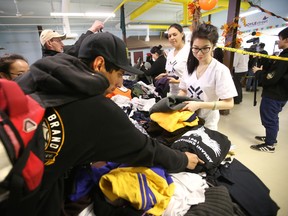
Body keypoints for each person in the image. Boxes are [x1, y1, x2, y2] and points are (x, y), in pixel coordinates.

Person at [16, 32, 204, 215]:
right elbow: (146, 149)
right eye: (120, 74)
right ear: (99, 64)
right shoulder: (96, 109)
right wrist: (184, 159)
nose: (120, 82)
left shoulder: (42, 74)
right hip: (29, 203)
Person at [178, 23, 237, 131]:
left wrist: (199, 105)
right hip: (188, 119)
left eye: (205, 48)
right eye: (195, 48)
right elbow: (183, 90)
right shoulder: (189, 67)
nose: (199, 53)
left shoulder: (220, 70)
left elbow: (229, 103)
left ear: (213, 46)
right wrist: (177, 102)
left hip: (208, 123)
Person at [250, 27, 288, 153]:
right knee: (273, 117)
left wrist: (259, 73)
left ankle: (270, 144)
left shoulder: (285, 57)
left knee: (269, 118)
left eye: (280, 39)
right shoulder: (283, 56)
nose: (279, 42)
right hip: (280, 93)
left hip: (275, 94)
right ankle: (271, 137)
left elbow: (272, 77)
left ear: (286, 40)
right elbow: (274, 69)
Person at [155, 23, 190, 95]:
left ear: (182, 34)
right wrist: (165, 75)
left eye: (174, 34)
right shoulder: (170, 53)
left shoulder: (189, 51)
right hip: (172, 91)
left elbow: (194, 78)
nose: (171, 38)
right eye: (169, 36)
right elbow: (170, 72)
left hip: (185, 92)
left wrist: (177, 81)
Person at [40, 20, 104, 57]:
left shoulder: (57, 54)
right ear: (49, 43)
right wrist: (92, 30)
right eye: (59, 41)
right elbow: (75, 50)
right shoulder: (52, 60)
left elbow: (75, 48)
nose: (62, 44)